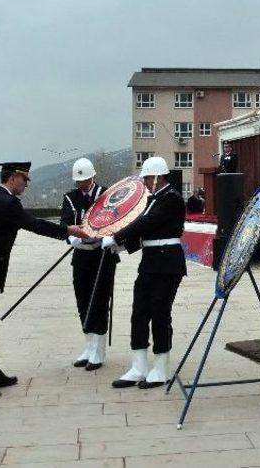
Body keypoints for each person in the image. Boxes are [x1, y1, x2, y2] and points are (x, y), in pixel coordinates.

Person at [0, 162, 89, 398]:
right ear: (14, 178)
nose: (26, 185)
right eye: (24, 180)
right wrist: (68, 231)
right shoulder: (7, 203)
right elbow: (34, 224)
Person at [101, 156, 186, 389]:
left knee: (160, 314)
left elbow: (147, 224)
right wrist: (120, 246)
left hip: (167, 264)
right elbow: (145, 236)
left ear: (158, 176)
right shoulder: (154, 199)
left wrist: (116, 236)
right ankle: (138, 367)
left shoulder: (172, 199)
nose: (146, 183)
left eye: (148, 178)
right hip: (150, 263)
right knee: (139, 313)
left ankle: (161, 369)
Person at [61, 157, 116, 371]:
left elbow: (115, 220)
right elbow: (65, 222)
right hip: (81, 256)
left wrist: (107, 238)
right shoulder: (70, 197)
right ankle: (89, 346)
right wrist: (71, 238)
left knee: (99, 301)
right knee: (83, 300)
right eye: (78, 182)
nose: (81, 185)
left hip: (102, 257)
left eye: (84, 181)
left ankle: (98, 352)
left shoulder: (106, 194)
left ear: (93, 177)